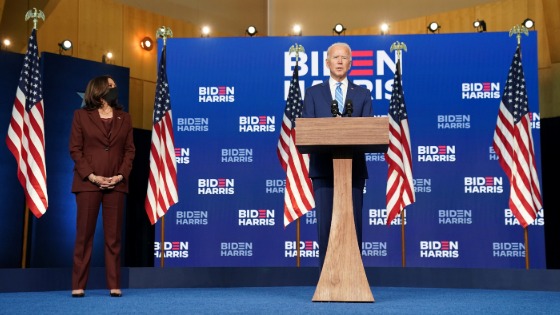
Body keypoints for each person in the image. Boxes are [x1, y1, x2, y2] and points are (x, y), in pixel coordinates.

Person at [302, 42, 373, 268]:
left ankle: (354, 278)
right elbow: (307, 132)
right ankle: (326, 278)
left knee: (353, 225)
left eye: (344, 58)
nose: (340, 61)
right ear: (327, 63)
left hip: (353, 170)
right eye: (335, 57)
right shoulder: (313, 93)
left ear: (351, 63)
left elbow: (369, 131)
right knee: (325, 226)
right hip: (323, 170)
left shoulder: (362, 94)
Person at [69, 75, 135, 298]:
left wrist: (120, 176)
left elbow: (129, 151)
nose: (114, 89)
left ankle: (114, 285)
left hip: (116, 185)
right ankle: (78, 285)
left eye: (115, 86)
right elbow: (75, 150)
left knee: (113, 238)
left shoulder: (124, 118)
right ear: (98, 90)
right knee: (84, 236)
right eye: (110, 86)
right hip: (88, 184)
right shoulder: (81, 116)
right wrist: (92, 176)